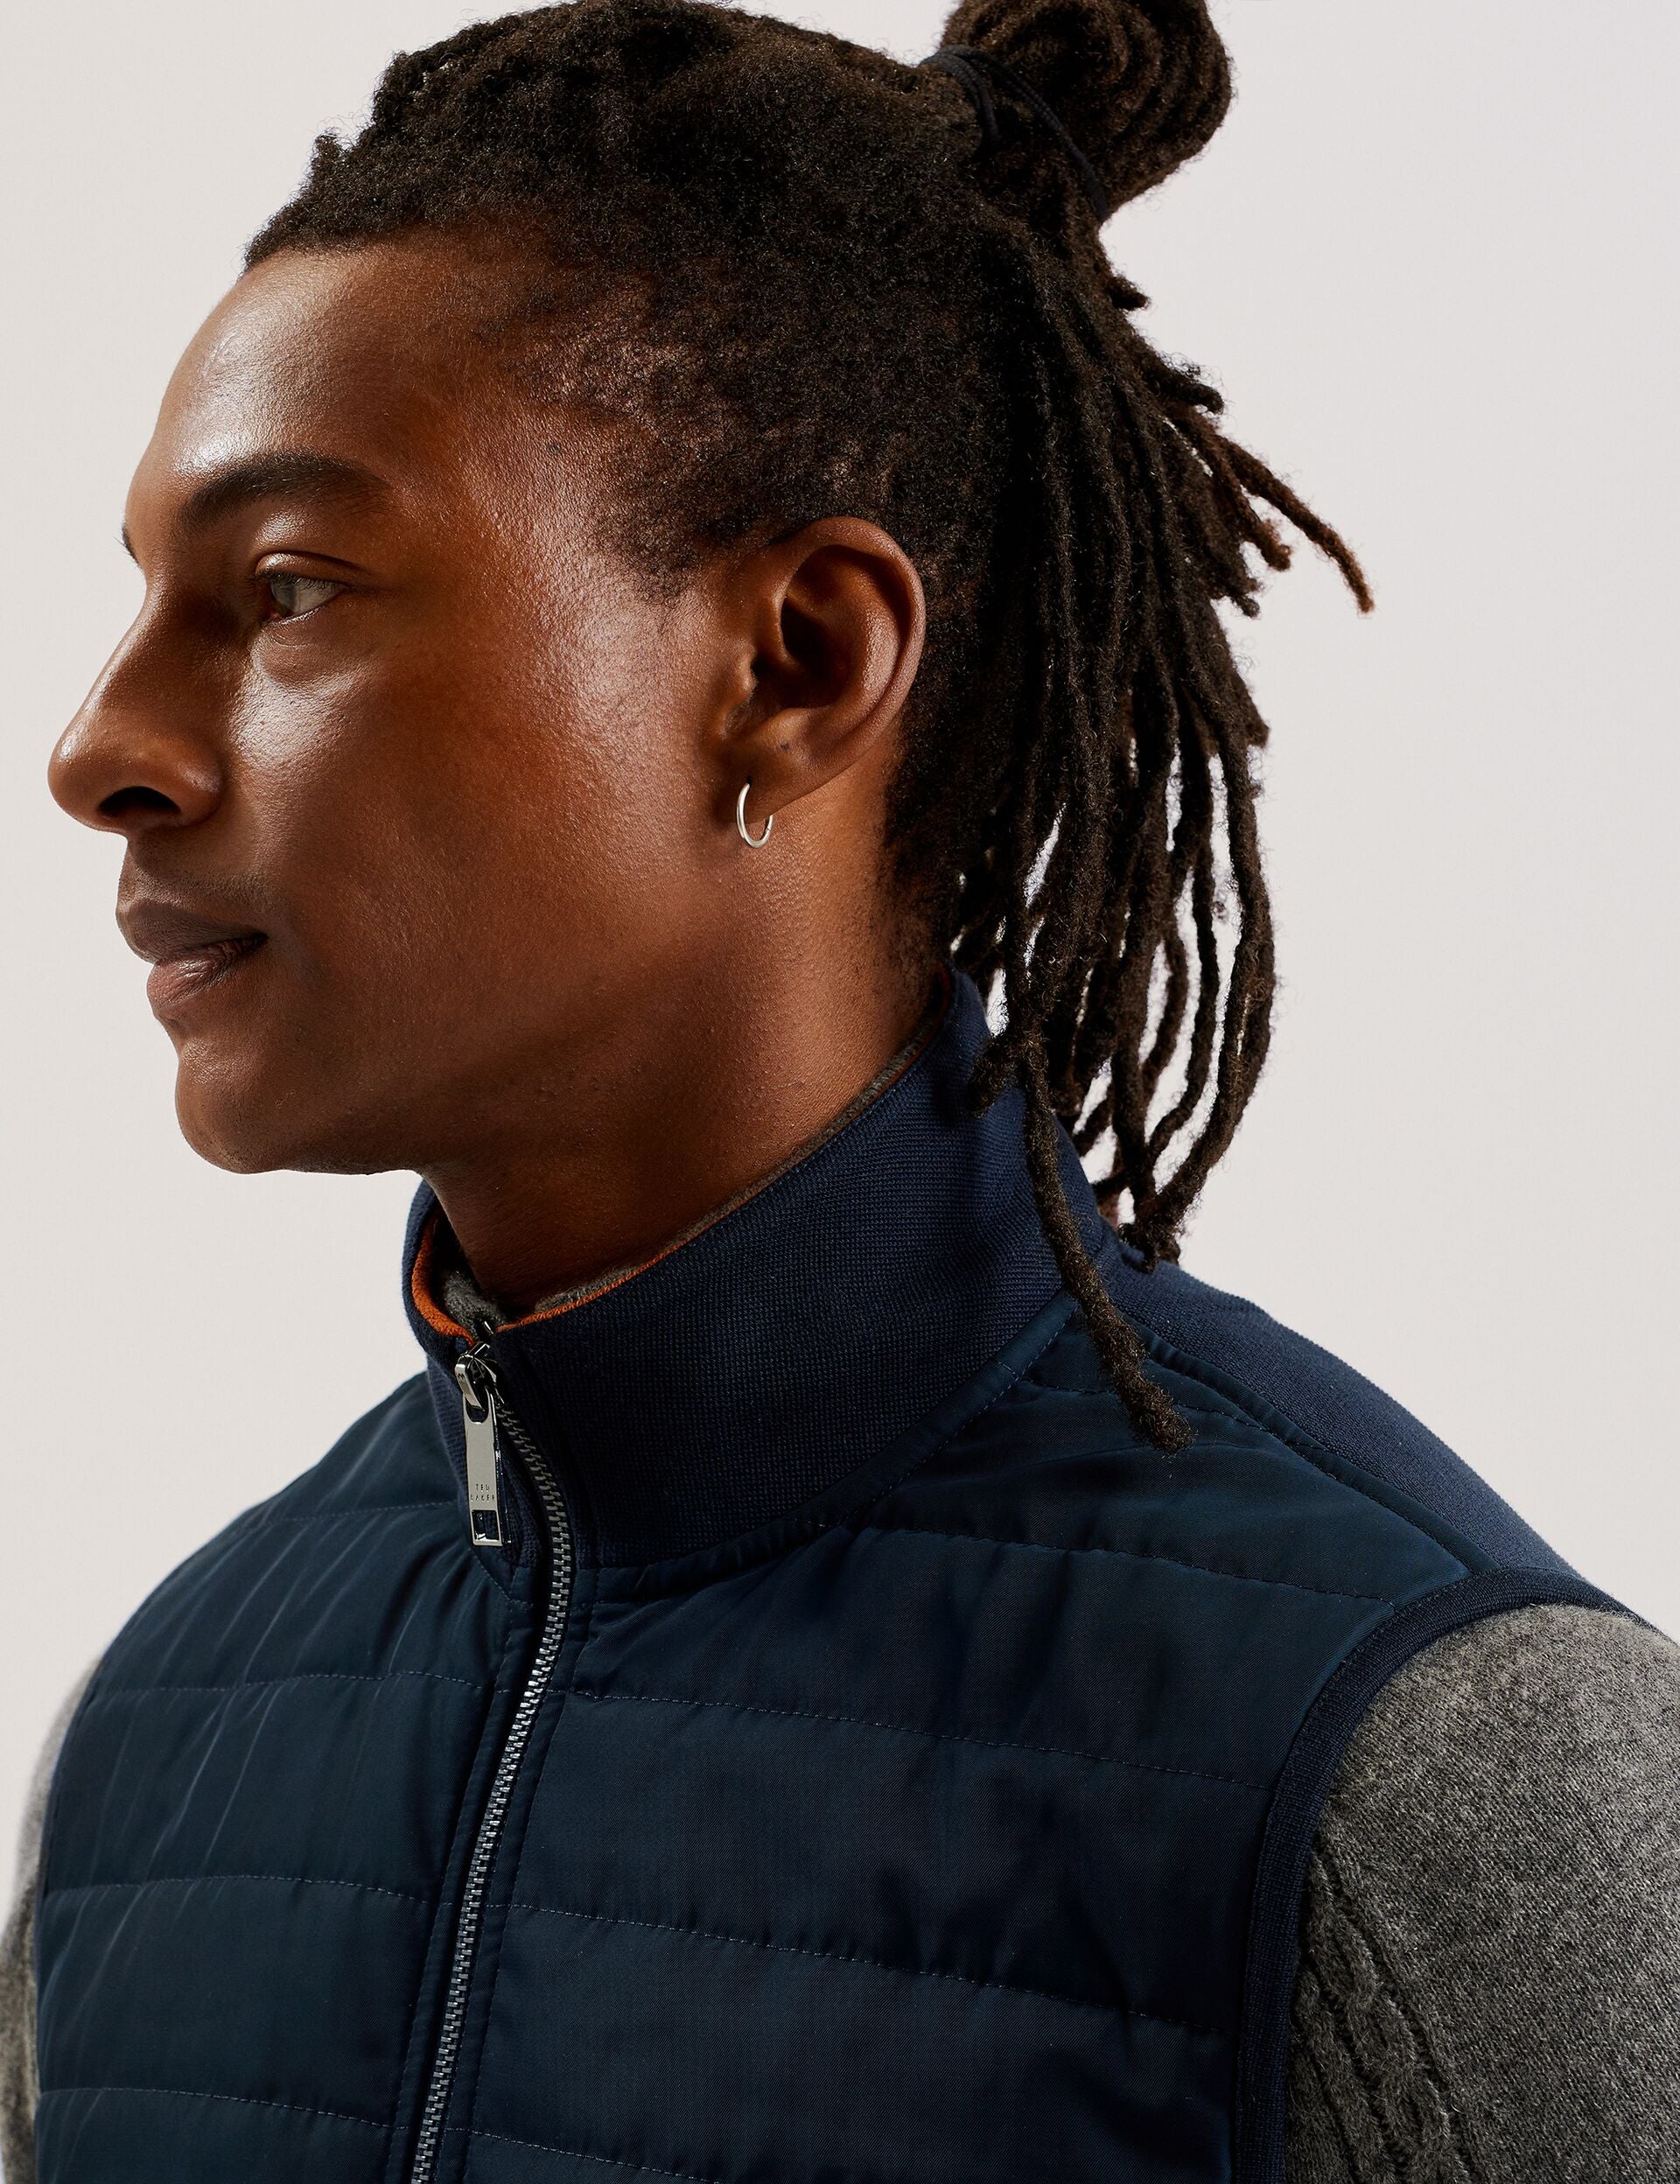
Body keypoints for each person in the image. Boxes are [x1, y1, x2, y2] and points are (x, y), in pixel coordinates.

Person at [4, 0, 1676, 2177]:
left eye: (289, 590)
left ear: (797, 663)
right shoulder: (159, 1743)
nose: (101, 748)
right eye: (148, 599)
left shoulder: (1424, 1761)